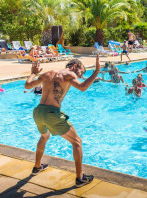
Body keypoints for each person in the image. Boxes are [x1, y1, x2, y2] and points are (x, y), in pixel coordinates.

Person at [24, 55, 101, 187]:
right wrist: (96, 71)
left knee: (44, 136)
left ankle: (37, 166)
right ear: (75, 66)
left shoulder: (47, 73)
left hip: (38, 112)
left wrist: (33, 73)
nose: (81, 75)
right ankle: (80, 178)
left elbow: (27, 85)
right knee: (77, 142)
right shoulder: (69, 75)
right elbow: (82, 87)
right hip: (51, 114)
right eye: (81, 72)